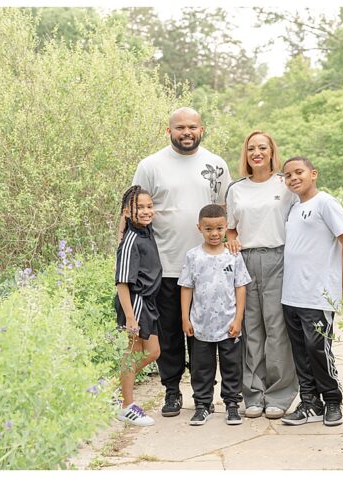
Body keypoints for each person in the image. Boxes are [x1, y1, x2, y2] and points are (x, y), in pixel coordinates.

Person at [132, 107, 231, 417]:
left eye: (192, 127)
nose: (186, 132)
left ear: (201, 129)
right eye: (180, 128)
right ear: (168, 131)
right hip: (165, 264)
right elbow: (134, 210)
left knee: (205, 334)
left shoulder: (216, 164)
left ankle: (205, 396)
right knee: (171, 332)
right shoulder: (150, 166)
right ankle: (172, 391)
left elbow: (228, 209)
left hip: (209, 266)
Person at [224, 131, 300, 419]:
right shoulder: (236, 189)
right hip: (245, 260)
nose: (257, 153)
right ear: (246, 154)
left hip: (278, 258)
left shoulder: (285, 184)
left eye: (262, 148)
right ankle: (253, 393)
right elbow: (231, 227)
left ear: (271, 152)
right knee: (250, 329)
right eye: (251, 148)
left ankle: (279, 395)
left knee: (277, 328)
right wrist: (231, 240)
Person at [278, 157, 343, 427]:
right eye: (288, 175)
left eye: (298, 172)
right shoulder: (292, 208)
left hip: (318, 293)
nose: (293, 178)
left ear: (313, 174)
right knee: (300, 351)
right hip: (291, 293)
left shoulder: (326, 203)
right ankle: (310, 402)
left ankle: (332, 400)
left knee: (318, 348)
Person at [179, 204, 252, 426]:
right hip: (201, 324)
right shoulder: (193, 256)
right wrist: (185, 317)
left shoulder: (233, 255)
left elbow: (241, 287)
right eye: (208, 229)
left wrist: (238, 318)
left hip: (229, 324)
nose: (214, 233)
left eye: (219, 228)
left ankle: (231, 405)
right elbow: (186, 287)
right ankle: (202, 405)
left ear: (226, 227)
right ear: (199, 228)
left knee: (232, 366)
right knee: (201, 368)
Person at [114, 186, 162, 426]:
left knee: (154, 352)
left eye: (149, 206)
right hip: (136, 303)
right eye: (139, 207)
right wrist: (131, 318)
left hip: (149, 302)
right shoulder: (130, 241)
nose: (146, 211)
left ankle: (114, 387)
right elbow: (122, 283)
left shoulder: (145, 230)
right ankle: (127, 406)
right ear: (127, 212)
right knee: (133, 354)